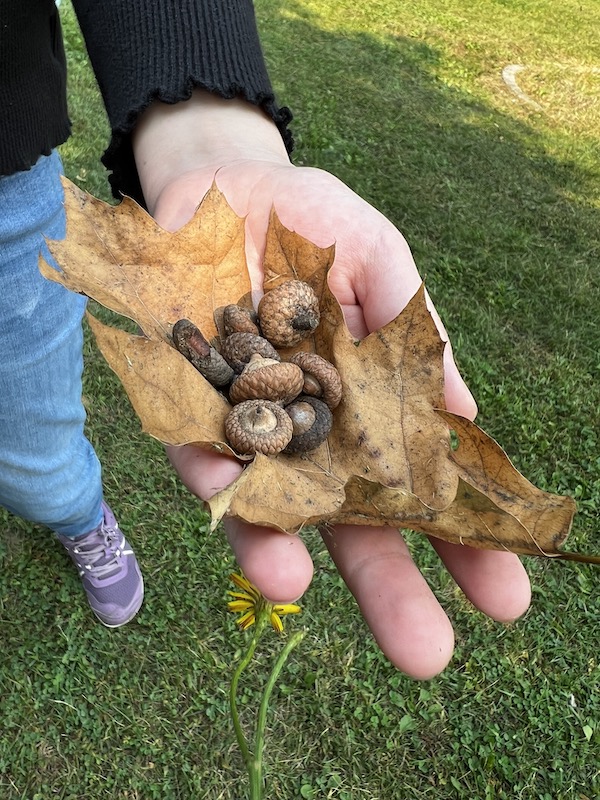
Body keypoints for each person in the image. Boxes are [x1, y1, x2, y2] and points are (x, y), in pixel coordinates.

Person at [0, 0, 531, 677]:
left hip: (5, 180)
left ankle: (76, 514)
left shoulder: (270, 359)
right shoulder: (260, 368)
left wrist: (212, 134)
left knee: (31, 453)